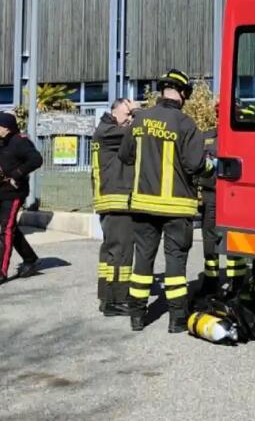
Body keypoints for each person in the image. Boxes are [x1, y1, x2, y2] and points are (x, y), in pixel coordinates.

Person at [120, 69, 211, 333]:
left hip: (143, 204)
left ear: (162, 91)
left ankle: (137, 315)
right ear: (183, 94)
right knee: (175, 262)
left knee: (143, 260)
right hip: (176, 207)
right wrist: (211, 168)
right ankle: (177, 319)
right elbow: (195, 164)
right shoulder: (185, 124)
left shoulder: (140, 120)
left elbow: (125, 156)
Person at [0, 112, 44, 287]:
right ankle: (30, 258)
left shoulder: (20, 141)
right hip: (0, 191)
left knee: (7, 231)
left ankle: (0, 272)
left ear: (6, 127)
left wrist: (17, 174)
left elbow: (36, 159)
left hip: (13, 192)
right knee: (10, 228)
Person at [92, 98, 136, 317]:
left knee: (110, 252)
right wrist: (139, 113)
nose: (129, 120)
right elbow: (136, 133)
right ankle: (118, 300)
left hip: (110, 201)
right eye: (127, 114)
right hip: (117, 201)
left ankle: (106, 296)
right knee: (121, 252)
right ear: (114, 111)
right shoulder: (110, 131)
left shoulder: (105, 129)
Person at [196, 102, 246, 296]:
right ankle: (211, 280)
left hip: (237, 196)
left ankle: (237, 283)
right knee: (210, 239)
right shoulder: (206, 137)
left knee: (236, 238)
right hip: (212, 195)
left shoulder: (244, 138)